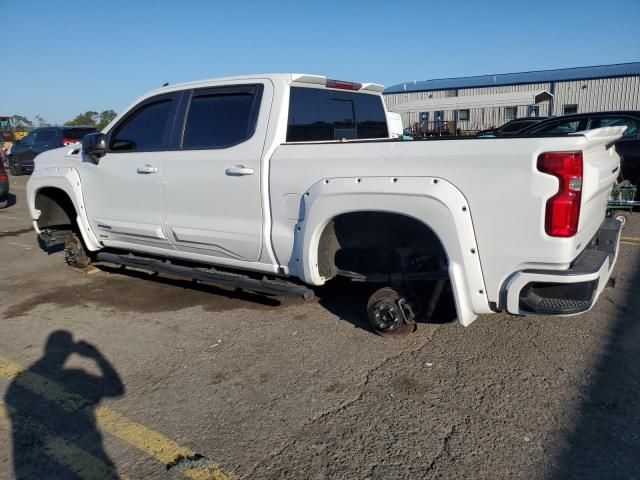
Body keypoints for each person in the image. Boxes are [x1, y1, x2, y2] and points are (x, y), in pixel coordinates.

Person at [5, 330, 125, 479]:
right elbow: (116, 390)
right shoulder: (75, 376)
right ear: (69, 350)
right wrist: (97, 356)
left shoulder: (18, 383)